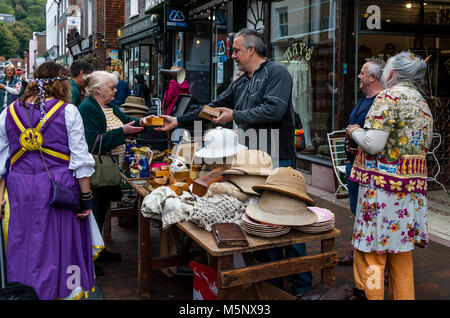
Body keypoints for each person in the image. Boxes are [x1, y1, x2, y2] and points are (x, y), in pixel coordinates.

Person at [155, 28, 311, 296]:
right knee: (261, 218)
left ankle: (302, 284)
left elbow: (274, 109)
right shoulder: (241, 81)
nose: (233, 56)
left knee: (288, 214)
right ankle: (271, 279)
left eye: (236, 50)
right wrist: (178, 121)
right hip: (249, 161)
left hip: (278, 157)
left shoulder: (277, 73)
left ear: (251, 49)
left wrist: (234, 115)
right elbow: (212, 108)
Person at [0, 61, 97, 299]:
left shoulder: (7, 112)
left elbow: (1, 160)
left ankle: (24, 292)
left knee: (22, 243)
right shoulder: (68, 111)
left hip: (19, 189)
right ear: (62, 83)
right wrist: (86, 199)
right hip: (58, 188)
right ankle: (65, 289)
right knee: (63, 244)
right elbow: (80, 159)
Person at [346, 51, 433, 300]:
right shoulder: (421, 101)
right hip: (410, 190)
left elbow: (373, 145)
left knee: (372, 255)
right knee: (401, 255)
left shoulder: (388, 97)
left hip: (382, 190)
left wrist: (354, 132)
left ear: (392, 73)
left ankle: (372, 296)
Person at [78, 71, 151, 274]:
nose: (116, 90)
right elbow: (92, 142)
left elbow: (127, 121)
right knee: (94, 215)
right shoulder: (87, 109)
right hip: (96, 174)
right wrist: (122, 133)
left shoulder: (109, 106)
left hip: (109, 172)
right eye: (112, 87)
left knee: (101, 215)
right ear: (98, 89)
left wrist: (144, 122)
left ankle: (99, 251)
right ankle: (88, 260)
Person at [338, 58, 385, 267]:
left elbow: (374, 141)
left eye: (362, 73)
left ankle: (378, 263)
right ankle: (358, 253)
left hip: (369, 170)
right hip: (353, 167)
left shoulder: (381, 103)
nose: (358, 76)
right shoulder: (364, 98)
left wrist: (354, 131)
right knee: (357, 213)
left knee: (372, 217)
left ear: (373, 77)